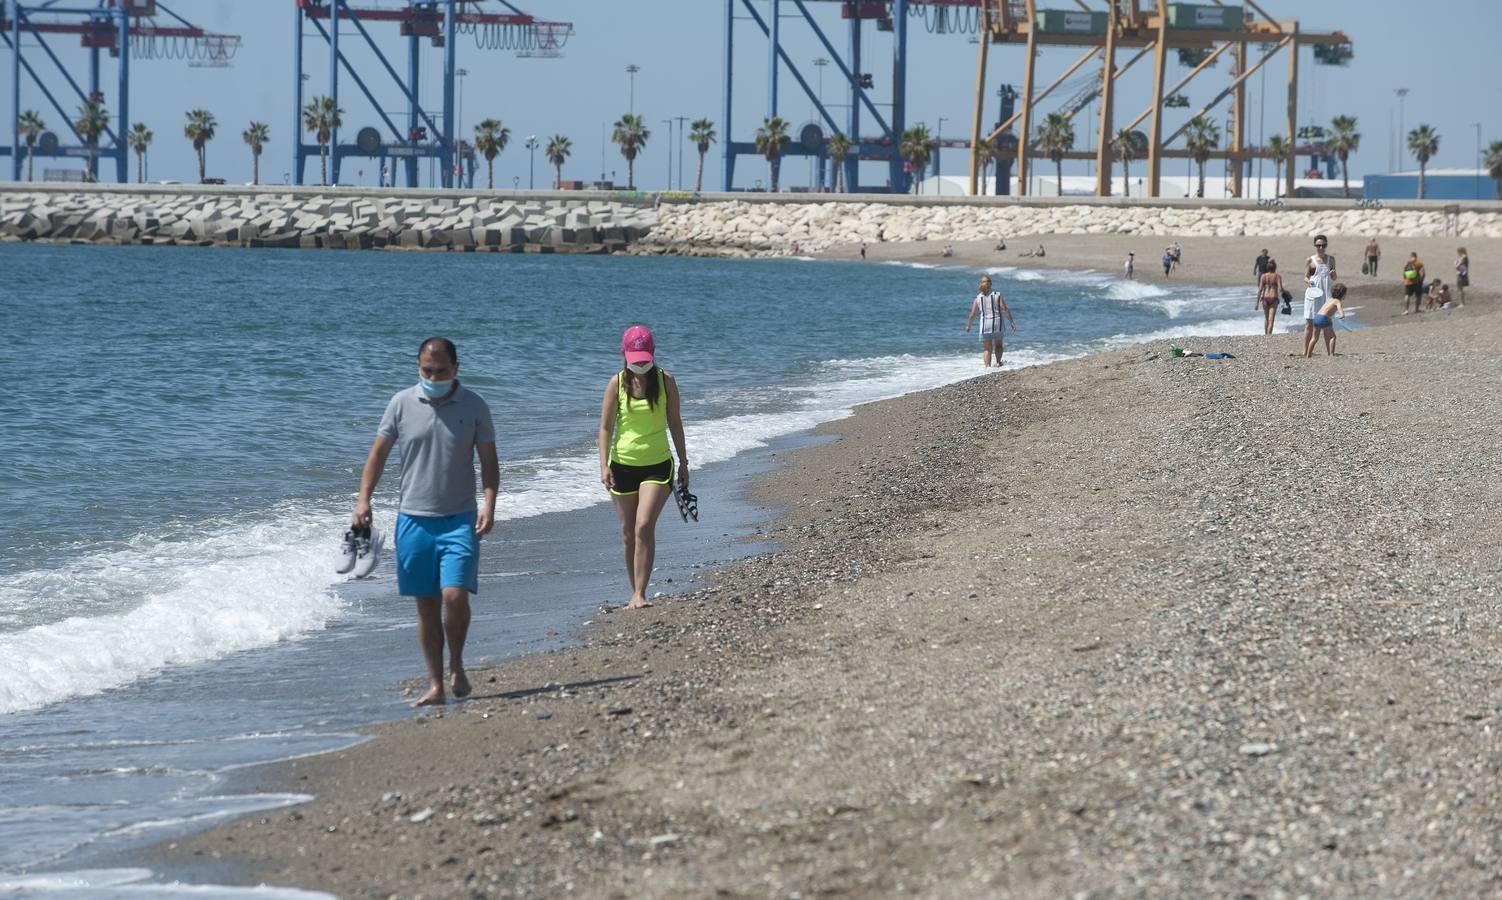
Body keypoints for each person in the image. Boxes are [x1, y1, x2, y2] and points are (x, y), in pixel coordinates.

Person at [353, 337, 498, 707]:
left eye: (441, 371)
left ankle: (457, 665)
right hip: (413, 522)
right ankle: (436, 684)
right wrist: (363, 499)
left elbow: (489, 462)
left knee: (454, 595)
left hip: (459, 519)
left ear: (456, 369)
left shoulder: (475, 405)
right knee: (426, 606)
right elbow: (378, 454)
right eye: (426, 371)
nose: (433, 377)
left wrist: (490, 503)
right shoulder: (401, 403)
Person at [598, 326, 689, 611]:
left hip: (658, 465)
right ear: (623, 354)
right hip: (622, 465)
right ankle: (632, 590)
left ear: (653, 353)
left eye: (644, 357)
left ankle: (640, 592)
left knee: (643, 525)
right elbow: (604, 428)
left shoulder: (666, 381)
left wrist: (684, 463)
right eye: (634, 357)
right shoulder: (616, 383)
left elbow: (675, 422)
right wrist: (603, 465)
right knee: (628, 532)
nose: (639, 363)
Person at [964, 274, 1018, 368]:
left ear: (981, 284)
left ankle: (987, 367)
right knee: (998, 345)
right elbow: (1004, 309)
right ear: (991, 284)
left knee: (987, 348)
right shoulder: (997, 295)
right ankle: (998, 362)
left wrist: (969, 326)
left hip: (985, 325)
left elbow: (972, 314)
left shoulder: (978, 298)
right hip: (997, 323)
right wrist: (1011, 322)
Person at [1302, 234, 1337, 355]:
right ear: (1315, 246)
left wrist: (1333, 274)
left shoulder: (1331, 259)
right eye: (1318, 245)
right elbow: (1305, 277)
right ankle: (1305, 351)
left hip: (1326, 294)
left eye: (1323, 245)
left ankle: (1330, 353)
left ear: (1326, 245)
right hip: (1313, 294)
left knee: (1328, 322)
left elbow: (1334, 277)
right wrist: (1309, 281)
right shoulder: (1310, 260)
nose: (1321, 248)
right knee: (1309, 324)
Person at [1305, 282, 1348, 358]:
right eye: (1345, 294)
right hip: (1323, 319)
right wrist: (1342, 315)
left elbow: (1325, 310)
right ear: (1342, 295)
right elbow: (1339, 309)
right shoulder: (1338, 301)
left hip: (1317, 317)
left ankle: (1308, 354)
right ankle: (1331, 354)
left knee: (1314, 338)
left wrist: (1328, 318)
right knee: (1332, 337)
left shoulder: (1329, 299)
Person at [1256, 258, 1283, 336]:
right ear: (1275, 267)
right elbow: (1280, 288)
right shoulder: (1277, 276)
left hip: (1265, 298)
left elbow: (1260, 289)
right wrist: (1284, 292)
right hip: (1273, 298)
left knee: (1266, 318)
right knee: (1271, 319)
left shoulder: (1263, 276)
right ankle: (1269, 335)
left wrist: (1257, 303)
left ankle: (1265, 335)